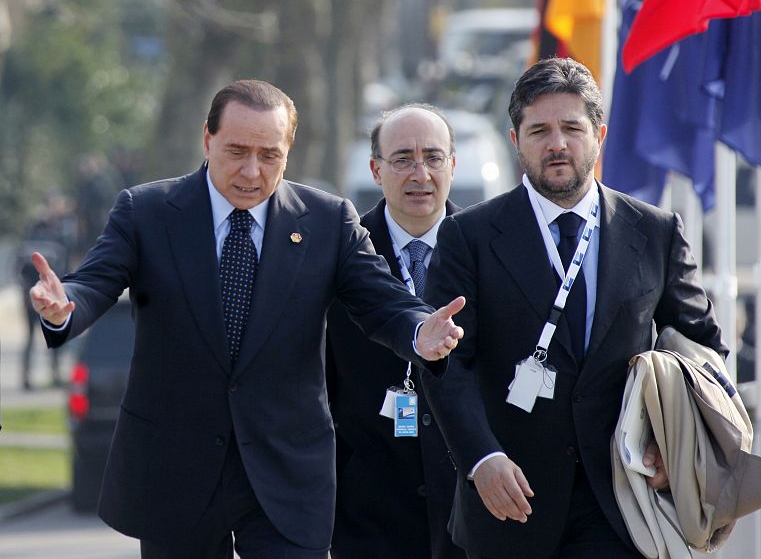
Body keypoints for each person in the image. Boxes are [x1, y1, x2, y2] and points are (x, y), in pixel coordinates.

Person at [29, 80, 465, 559]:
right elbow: (94, 281)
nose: (251, 171)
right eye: (237, 151)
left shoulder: (327, 221)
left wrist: (421, 330)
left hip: (286, 471)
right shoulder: (148, 212)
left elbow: (381, 300)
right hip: (178, 470)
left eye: (269, 155)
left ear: (288, 151)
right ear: (207, 140)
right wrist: (64, 304)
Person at [419, 57, 727, 559]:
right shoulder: (468, 237)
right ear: (515, 140)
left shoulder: (655, 232)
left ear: (599, 135)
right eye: (538, 130)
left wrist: (677, 445)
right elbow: (446, 366)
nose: (556, 144)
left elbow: (703, 350)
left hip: (627, 502)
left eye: (571, 128)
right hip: (509, 504)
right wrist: (481, 458)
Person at [326, 103, 465, 559]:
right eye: (403, 158)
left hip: (472, 507)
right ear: (376, 169)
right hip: (368, 512)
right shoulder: (338, 256)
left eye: (433, 157)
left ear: (453, 165)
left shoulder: (491, 250)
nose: (420, 173)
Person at [15, 195, 76, 390]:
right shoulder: (41, 235)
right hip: (32, 295)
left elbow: (64, 265)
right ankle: (28, 377)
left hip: (44, 295)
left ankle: (53, 374)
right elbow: (20, 266)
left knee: (50, 333)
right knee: (35, 336)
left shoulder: (59, 234)